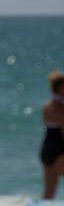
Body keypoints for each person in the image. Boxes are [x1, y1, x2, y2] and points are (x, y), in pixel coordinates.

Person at [40, 70, 64, 199]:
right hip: (60, 150)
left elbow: (45, 127)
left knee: (49, 190)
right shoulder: (61, 108)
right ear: (60, 87)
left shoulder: (47, 107)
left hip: (46, 149)